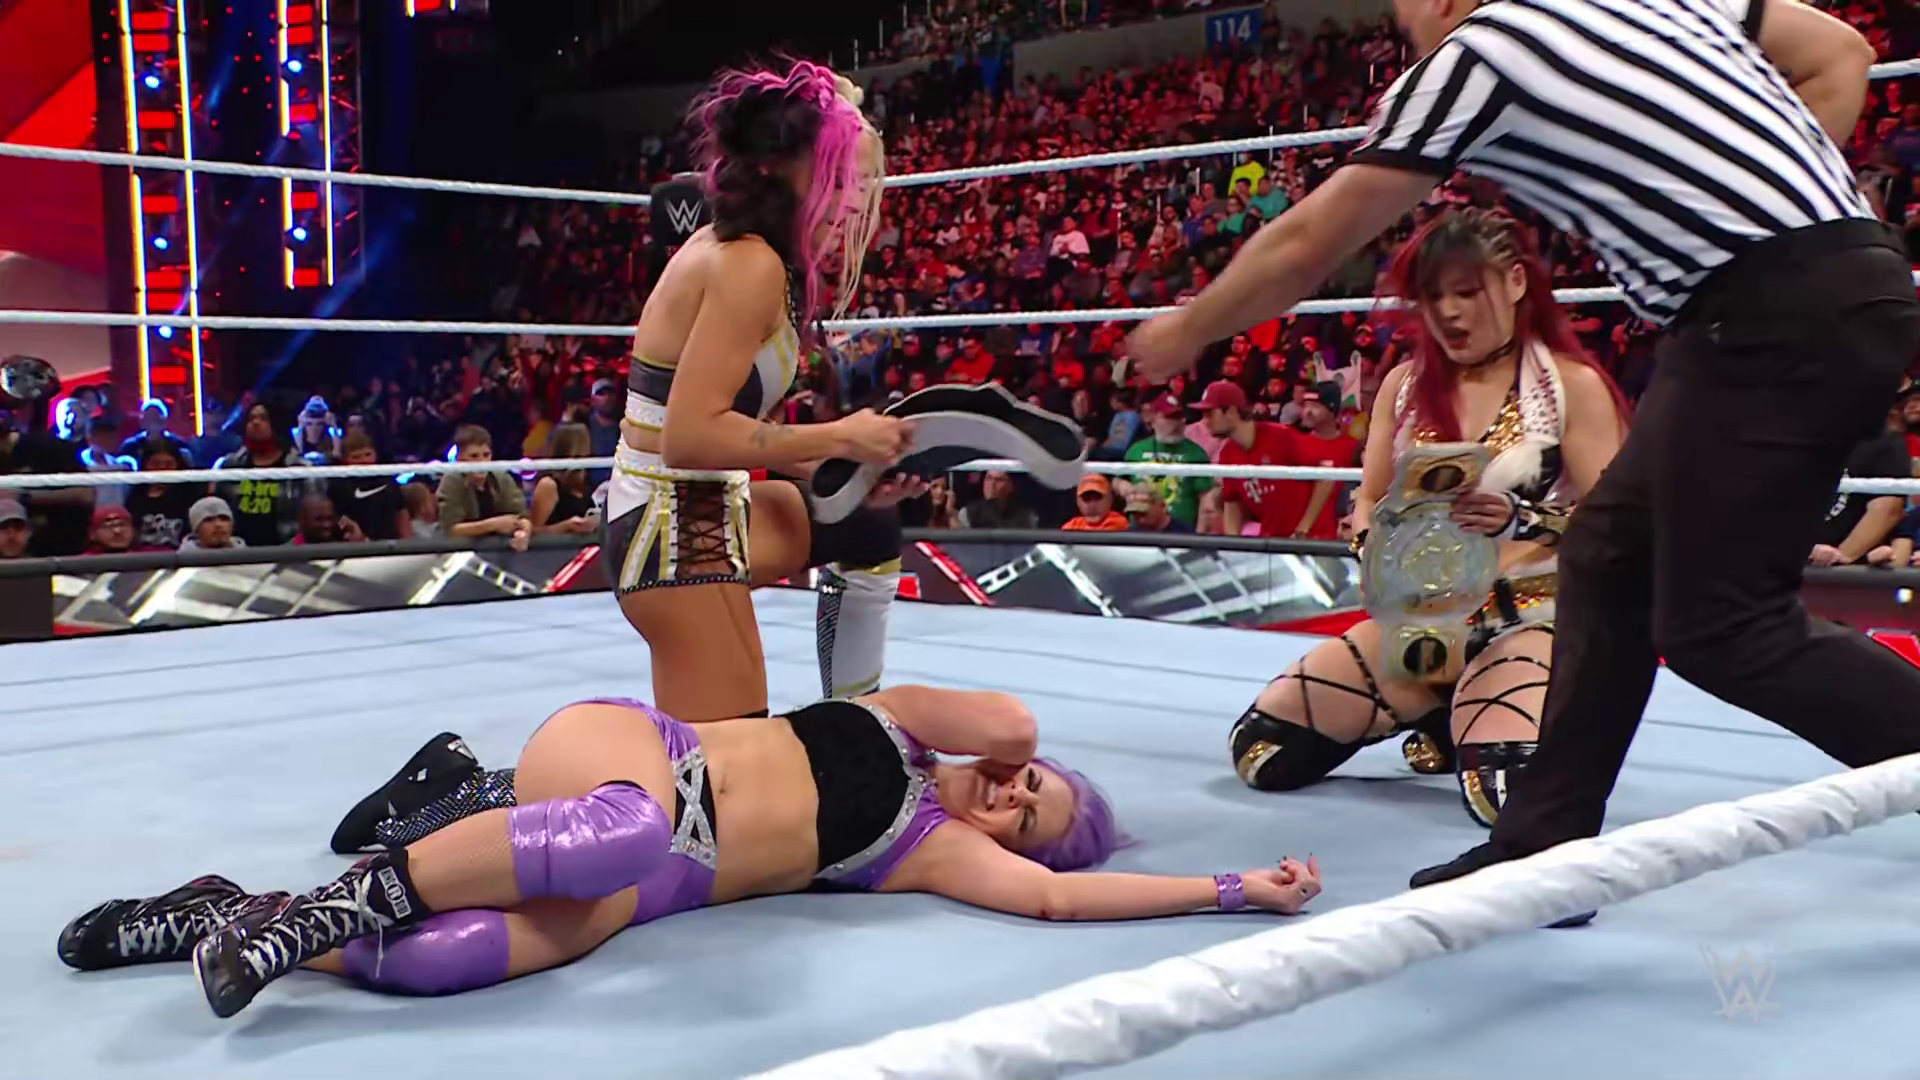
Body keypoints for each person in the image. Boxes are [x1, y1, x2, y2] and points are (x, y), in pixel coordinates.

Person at [1129, 0, 1920, 911]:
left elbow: (1313, 239)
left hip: (1770, 312)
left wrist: (1187, 329)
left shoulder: (1481, 54)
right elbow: (1839, 51)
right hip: (1800, 293)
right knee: (1610, 560)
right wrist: (1768, 209)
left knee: (1721, 625)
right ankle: (1544, 849)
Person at [57, 686, 1322, 1015]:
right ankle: (318, 913)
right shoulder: (902, 720)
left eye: (1027, 816)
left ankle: (229, 913)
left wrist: (1232, 888)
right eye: (1028, 787)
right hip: (631, 756)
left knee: (447, 958)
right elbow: (1013, 725)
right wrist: (1019, 754)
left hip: (647, 887)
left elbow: (1054, 907)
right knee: (632, 823)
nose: (1011, 795)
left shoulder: (924, 848)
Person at [1229, 209, 1630, 828]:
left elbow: (1622, 525)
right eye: (1433, 296)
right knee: (1262, 751)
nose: (1448, 312)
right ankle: (1437, 711)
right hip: (1422, 625)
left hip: (1532, 619)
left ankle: (1498, 706)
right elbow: (1368, 498)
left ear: (1515, 282)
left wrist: (1523, 518)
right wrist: (1372, 545)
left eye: (1467, 292)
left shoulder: (1568, 387)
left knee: (1510, 797)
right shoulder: (1404, 386)